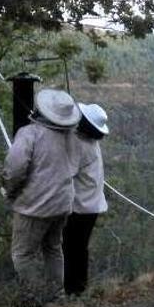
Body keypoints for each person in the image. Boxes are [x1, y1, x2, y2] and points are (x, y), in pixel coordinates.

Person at [2, 89, 81, 303]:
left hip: (35, 206)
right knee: (53, 248)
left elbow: (14, 169)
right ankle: (57, 296)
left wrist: (9, 190)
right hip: (62, 203)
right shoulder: (72, 137)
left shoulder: (30, 133)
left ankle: (35, 298)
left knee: (22, 255)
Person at [63, 103, 110, 296]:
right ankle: (78, 288)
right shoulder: (92, 143)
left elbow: (67, 172)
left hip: (80, 207)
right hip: (93, 205)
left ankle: (72, 289)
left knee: (70, 247)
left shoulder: (80, 145)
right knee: (80, 247)